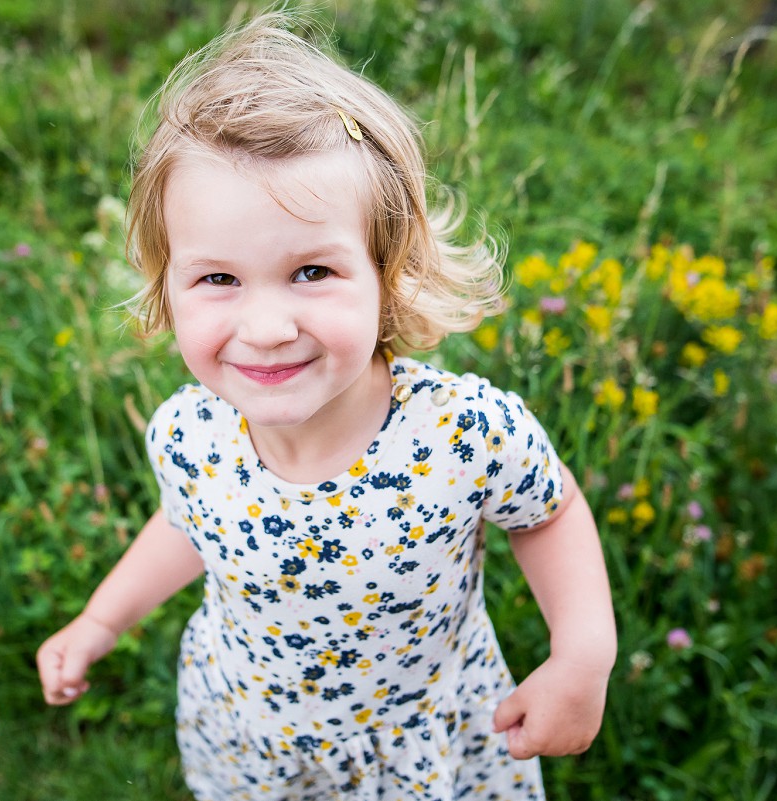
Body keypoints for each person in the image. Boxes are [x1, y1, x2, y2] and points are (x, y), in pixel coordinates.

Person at [36, 11, 617, 801]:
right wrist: (99, 621)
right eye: (218, 279)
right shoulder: (190, 431)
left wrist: (583, 655)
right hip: (251, 734)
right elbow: (190, 523)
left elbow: (547, 511)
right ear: (167, 290)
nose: (268, 328)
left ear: (390, 272)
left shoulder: (460, 433)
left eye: (312, 271)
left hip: (419, 748)